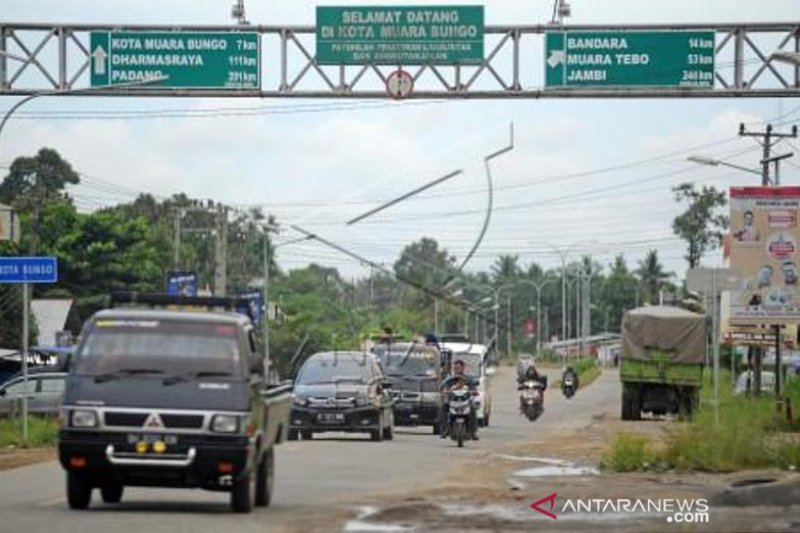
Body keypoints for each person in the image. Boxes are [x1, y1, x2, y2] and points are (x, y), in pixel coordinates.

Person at [440, 359, 478, 440]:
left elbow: (473, 388)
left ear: (463, 368)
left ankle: (473, 432)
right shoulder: (450, 379)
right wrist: (444, 391)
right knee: (444, 407)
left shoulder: (468, 379)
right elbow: (444, 386)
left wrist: (474, 391)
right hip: (453, 401)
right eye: (455, 368)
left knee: (473, 409)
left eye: (459, 368)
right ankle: (445, 429)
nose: (457, 369)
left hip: (465, 401)